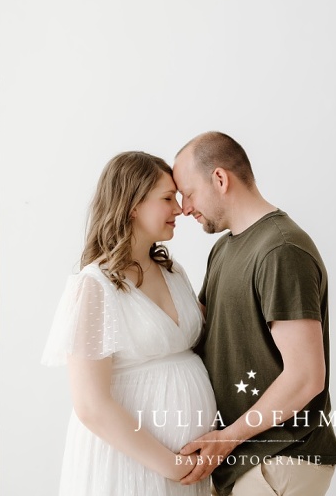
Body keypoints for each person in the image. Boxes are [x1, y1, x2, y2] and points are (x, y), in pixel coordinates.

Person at [172, 131, 336, 496]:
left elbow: (306, 376)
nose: (184, 208)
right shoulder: (224, 249)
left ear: (220, 179)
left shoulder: (281, 250)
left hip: (280, 459)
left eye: (188, 193)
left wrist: (227, 438)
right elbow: (197, 332)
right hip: (241, 460)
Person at [42, 151, 218, 495]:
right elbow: (91, 405)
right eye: (167, 198)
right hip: (130, 465)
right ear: (133, 205)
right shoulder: (95, 286)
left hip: (189, 469)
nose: (179, 209)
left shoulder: (173, 271)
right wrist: (172, 465)